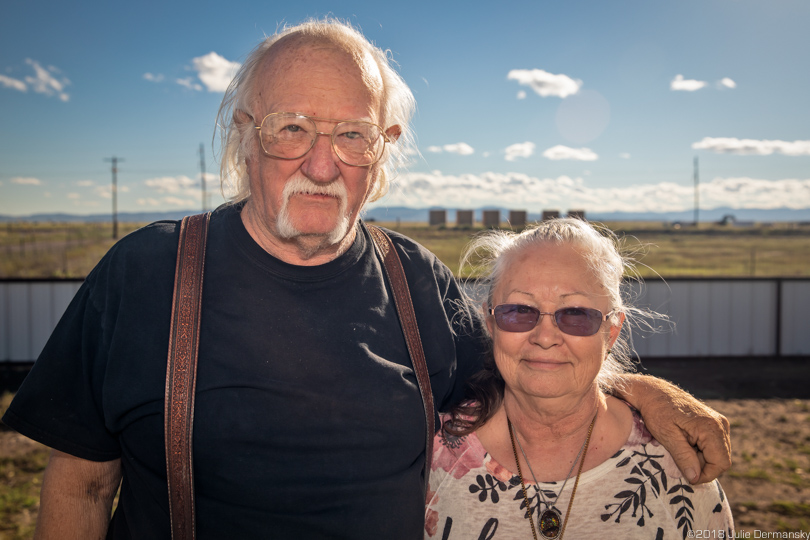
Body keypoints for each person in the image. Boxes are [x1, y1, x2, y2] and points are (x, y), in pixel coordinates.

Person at [2, 19, 729, 539]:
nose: (322, 165)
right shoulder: (145, 273)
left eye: (351, 135)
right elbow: (81, 485)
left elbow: (535, 362)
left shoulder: (416, 281)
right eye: (292, 128)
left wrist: (637, 389)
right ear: (244, 133)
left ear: (383, 151)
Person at [425, 218, 734, 539]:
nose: (545, 337)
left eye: (576, 314)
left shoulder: (676, 469)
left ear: (611, 331)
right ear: (490, 323)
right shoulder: (431, 457)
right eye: (519, 310)